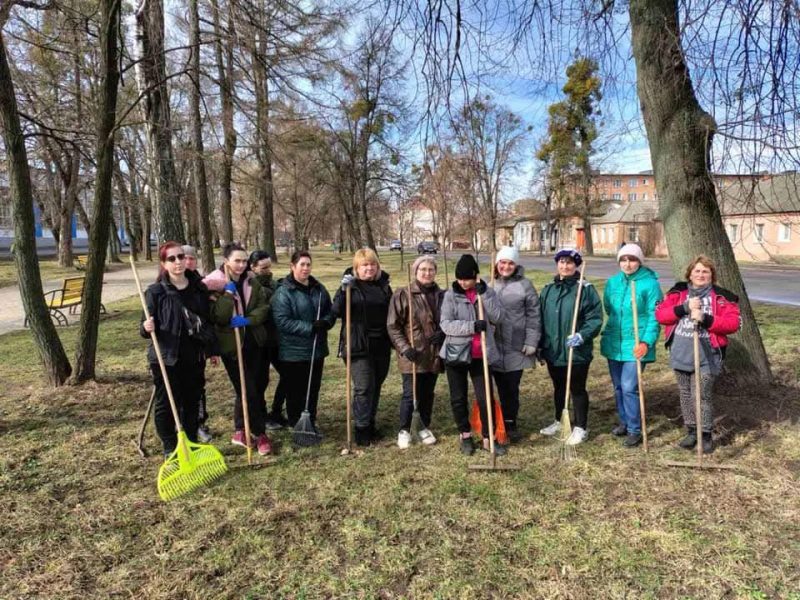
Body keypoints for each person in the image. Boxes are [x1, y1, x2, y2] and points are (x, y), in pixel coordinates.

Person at [655, 255, 740, 454]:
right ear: (690, 274)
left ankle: (706, 434)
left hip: (707, 355)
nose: (701, 275)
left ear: (711, 275)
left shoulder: (722, 297)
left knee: (701, 396)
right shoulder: (677, 292)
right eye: (697, 271)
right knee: (685, 394)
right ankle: (692, 431)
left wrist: (705, 318)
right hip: (681, 352)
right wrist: (684, 307)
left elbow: (733, 323)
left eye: (705, 271)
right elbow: (661, 315)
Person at [140, 242, 215, 456]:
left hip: (193, 356)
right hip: (166, 358)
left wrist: (211, 349)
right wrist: (146, 327)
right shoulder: (155, 292)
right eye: (171, 259)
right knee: (166, 403)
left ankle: (191, 442)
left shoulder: (198, 289)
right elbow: (143, 329)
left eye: (181, 257)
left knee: (191, 401)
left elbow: (207, 322)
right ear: (164, 264)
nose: (178, 262)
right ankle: (170, 448)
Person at [203, 242, 273, 456]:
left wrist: (248, 320)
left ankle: (240, 429)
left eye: (244, 261)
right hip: (232, 347)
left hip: (254, 341)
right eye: (237, 261)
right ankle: (260, 434)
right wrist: (226, 295)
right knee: (247, 389)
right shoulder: (213, 284)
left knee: (256, 386)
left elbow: (263, 307)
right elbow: (218, 316)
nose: (242, 265)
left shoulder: (252, 281)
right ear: (226, 261)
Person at [440, 254, 507, 456]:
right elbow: (446, 325)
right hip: (457, 353)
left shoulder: (487, 292)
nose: (463, 282)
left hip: (481, 354)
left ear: (475, 276)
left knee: (485, 397)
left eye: (467, 279)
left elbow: (499, 317)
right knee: (458, 397)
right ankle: (465, 435)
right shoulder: (450, 296)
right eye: (460, 279)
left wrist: (485, 295)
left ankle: (488, 437)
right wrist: (472, 326)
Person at [600, 243, 663, 447]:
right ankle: (625, 422)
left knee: (629, 386)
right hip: (615, 342)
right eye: (623, 260)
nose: (627, 264)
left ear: (639, 262)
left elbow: (655, 317)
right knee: (618, 386)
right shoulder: (613, 282)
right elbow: (608, 308)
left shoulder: (650, 284)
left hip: (636, 342)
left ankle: (635, 429)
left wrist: (645, 342)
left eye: (632, 260)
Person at [537, 249, 603, 445]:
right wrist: (541, 345)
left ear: (576, 265)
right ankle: (559, 420)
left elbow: (595, 318)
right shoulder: (549, 289)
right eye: (562, 262)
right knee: (558, 386)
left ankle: (580, 427)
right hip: (553, 349)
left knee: (577, 388)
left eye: (569, 263)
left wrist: (582, 335)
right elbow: (540, 319)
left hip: (576, 351)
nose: (565, 266)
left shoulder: (585, 289)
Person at [332, 248, 393, 446]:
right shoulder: (351, 285)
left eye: (372, 264)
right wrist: (344, 291)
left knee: (376, 385)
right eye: (364, 265)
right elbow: (336, 311)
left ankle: (370, 423)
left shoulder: (384, 286)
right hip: (358, 344)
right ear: (357, 268)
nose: (369, 268)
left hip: (381, 344)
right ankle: (361, 429)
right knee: (364, 387)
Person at [271, 250, 334, 430]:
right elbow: (282, 321)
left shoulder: (319, 289)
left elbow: (330, 311)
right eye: (302, 265)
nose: (306, 268)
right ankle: (295, 423)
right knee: (295, 391)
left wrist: (326, 322)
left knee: (313, 389)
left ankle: (310, 420)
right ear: (293, 266)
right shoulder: (283, 292)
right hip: (293, 352)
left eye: (308, 264)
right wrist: (310, 327)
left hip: (316, 349)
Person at [386, 255, 445, 448]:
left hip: (434, 353)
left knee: (428, 393)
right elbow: (393, 326)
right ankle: (404, 429)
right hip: (413, 354)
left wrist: (443, 333)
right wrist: (404, 348)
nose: (427, 273)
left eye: (431, 269)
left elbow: (448, 320)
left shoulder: (442, 295)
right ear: (416, 271)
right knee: (410, 394)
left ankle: (423, 426)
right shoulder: (404, 294)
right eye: (423, 269)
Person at [491, 246, 541, 441]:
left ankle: (510, 424)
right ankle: (492, 423)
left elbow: (534, 315)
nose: (506, 266)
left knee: (510, 388)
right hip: (493, 345)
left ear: (516, 265)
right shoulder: (489, 283)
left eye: (510, 263)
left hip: (516, 346)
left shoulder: (525, 285)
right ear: (497, 263)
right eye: (503, 262)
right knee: (491, 387)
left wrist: (531, 341)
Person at [249, 250, 286, 430]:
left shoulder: (275, 283)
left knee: (288, 374)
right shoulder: (250, 286)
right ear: (253, 267)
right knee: (260, 381)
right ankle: (262, 416)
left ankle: (276, 411)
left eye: (269, 267)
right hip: (259, 340)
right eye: (263, 268)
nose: (268, 271)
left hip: (276, 339)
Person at [181, 244, 214, 444]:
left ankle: (199, 424)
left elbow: (207, 319)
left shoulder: (201, 286)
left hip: (197, 348)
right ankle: (180, 427)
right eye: (183, 258)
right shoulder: (167, 285)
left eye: (191, 258)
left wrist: (211, 349)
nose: (187, 262)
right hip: (175, 349)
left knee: (198, 388)